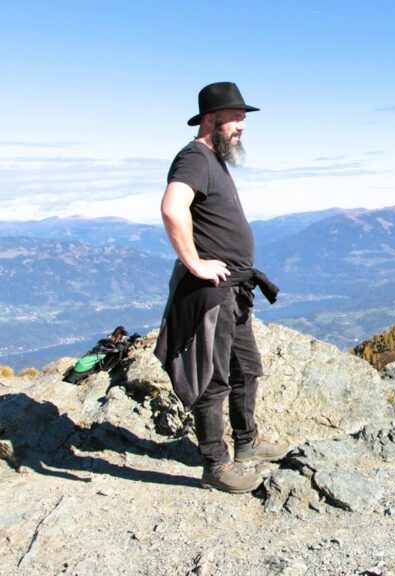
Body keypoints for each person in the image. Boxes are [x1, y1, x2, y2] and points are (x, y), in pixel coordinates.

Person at [154, 81, 287, 493]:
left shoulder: (215, 159)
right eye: (236, 119)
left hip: (235, 288)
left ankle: (247, 443)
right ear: (212, 120)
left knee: (246, 367)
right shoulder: (193, 158)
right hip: (212, 292)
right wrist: (194, 262)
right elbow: (171, 207)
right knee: (213, 378)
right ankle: (215, 464)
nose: (242, 128)